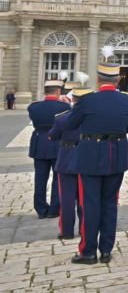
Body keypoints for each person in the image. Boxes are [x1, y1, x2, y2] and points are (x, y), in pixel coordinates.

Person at [64, 62, 128, 264]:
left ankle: (88, 251)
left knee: (90, 204)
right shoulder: (127, 101)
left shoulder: (87, 101)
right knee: (110, 203)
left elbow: (70, 124)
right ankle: (106, 250)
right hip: (116, 155)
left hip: (90, 156)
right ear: (119, 80)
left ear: (98, 79)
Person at [48, 77, 87, 240]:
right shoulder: (90, 118)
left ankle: (67, 231)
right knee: (84, 199)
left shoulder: (61, 117)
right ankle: (84, 230)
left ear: (72, 99)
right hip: (85, 159)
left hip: (66, 159)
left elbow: (52, 136)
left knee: (66, 198)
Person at [28, 78, 69, 219]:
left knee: (40, 178)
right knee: (58, 178)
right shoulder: (64, 107)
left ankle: (40, 208)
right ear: (58, 91)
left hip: (39, 143)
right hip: (57, 144)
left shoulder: (33, 106)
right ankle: (54, 208)